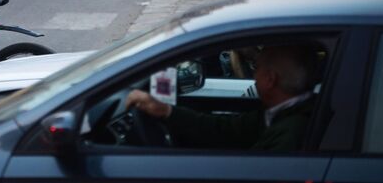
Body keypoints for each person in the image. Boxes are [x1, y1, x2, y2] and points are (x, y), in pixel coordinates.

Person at [125, 45, 318, 151]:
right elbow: (223, 129)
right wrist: (166, 111)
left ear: (270, 80)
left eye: (256, 69)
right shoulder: (279, 115)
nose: (254, 75)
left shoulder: (290, 132)